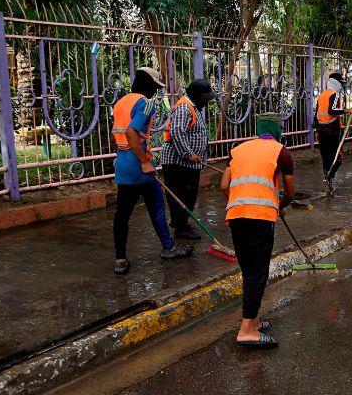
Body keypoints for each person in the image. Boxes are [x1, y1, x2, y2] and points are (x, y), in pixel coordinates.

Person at [221, 112, 295, 348]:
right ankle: (246, 331)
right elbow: (290, 193)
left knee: (248, 270)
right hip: (260, 217)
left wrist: (243, 200)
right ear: (277, 130)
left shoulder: (238, 150)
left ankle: (252, 321)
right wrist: (278, 206)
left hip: (236, 214)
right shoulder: (281, 152)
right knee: (258, 271)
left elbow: (225, 186)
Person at [112, 67, 193, 275]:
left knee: (122, 214)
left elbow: (119, 133)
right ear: (148, 85)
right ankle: (169, 248)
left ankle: (120, 259)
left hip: (122, 164)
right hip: (140, 166)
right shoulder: (146, 104)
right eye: (155, 88)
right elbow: (131, 132)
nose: (155, 93)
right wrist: (144, 161)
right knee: (156, 208)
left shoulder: (121, 103)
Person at [161, 79, 216, 240]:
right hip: (178, 162)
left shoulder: (193, 106)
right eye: (205, 99)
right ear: (197, 96)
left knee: (189, 195)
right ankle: (180, 227)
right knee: (181, 195)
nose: (206, 103)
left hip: (188, 163)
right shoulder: (184, 107)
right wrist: (188, 154)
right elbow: (177, 132)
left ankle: (181, 223)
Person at [315, 72, 352, 196]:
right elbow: (331, 111)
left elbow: (316, 115)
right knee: (337, 159)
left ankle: (328, 183)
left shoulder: (322, 95)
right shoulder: (334, 94)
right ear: (337, 83)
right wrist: (347, 110)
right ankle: (329, 178)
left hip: (322, 131)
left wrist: (317, 130)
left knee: (326, 158)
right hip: (332, 131)